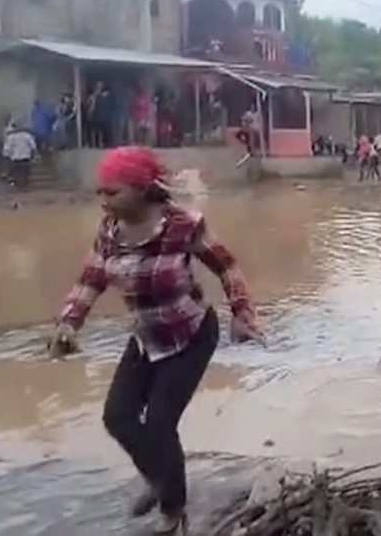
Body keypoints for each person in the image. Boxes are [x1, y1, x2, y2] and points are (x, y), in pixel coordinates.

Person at [49, 146, 264, 535]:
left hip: (192, 334)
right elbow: (91, 278)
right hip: (147, 337)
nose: (103, 202)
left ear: (141, 189)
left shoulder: (183, 225)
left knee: (161, 423)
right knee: (117, 417)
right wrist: (69, 323)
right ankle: (161, 480)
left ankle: (173, 509)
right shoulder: (109, 232)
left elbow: (226, 265)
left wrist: (242, 311)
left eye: (112, 193)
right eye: (100, 193)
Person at [3, 122, 37, 189]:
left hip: (15, 159)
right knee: (25, 174)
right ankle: (24, 186)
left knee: (15, 174)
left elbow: (7, 149)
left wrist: (7, 157)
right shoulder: (27, 136)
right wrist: (34, 156)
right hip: (26, 158)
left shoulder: (11, 137)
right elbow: (33, 147)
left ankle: (15, 185)